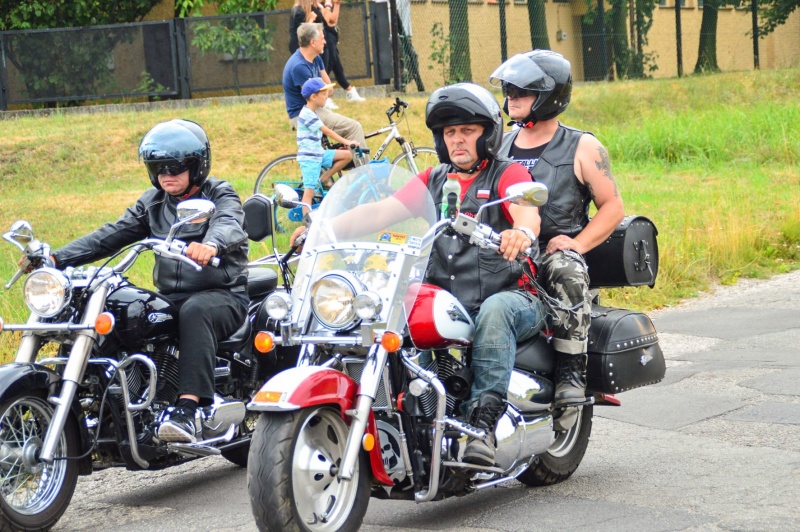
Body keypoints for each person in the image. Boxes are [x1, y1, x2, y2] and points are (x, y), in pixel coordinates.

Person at [292, 83, 547, 467]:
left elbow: (527, 212)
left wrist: (521, 232)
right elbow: (380, 212)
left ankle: (482, 425)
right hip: (451, 294)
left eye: (467, 131)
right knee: (389, 305)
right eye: (450, 132)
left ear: (487, 134)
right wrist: (321, 230)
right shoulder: (433, 179)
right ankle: (408, 408)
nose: (457, 139)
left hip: (513, 293)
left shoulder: (506, 173)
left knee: (495, 312)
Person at [48, 119, 250, 444]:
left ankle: (187, 411)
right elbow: (111, 235)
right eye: (158, 167)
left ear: (197, 166)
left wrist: (211, 244)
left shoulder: (218, 192)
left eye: (175, 167)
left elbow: (228, 221)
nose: (166, 174)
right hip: (171, 295)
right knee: (122, 311)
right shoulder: (153, 201)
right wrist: (57, 258)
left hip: (222, 295)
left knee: (195, 310)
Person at [489, 50, 625, 406]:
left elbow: (613, 206)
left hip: (553, 250)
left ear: (549, 95)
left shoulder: (583, 146)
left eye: (522, 90)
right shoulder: (500, 144)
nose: (511, 96)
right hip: (507, 246)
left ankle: (571, 370)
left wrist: (578, 244)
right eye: (509, 89)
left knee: (566, 267)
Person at [283, 22, 367, 147]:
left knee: (336, 149)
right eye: (322, 38)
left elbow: (329, 89)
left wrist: (323, 90)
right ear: (312, 42)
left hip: (315, 109)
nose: (325, 42)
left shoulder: (316, 58)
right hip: (303, 114)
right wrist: (323, 90)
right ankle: (362, 161)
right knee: (354, 128)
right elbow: (314, 97)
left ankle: (348, 157)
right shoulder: (299, 66)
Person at [297, 77, 356, 211]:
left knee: (347, 155)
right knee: (309, 193)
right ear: (313, 97)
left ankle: (324, 178)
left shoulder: (312, 112)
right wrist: (347, 141)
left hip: (319, 153)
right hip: (310, 158)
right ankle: (307, 220)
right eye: (323, 94)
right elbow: (327, 131)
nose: (326, 97)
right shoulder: (307, 114)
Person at [319, 0, 366, 103]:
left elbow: (333, 21)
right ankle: (323, 95)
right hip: (326, 37)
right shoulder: (319, 4)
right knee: (326, 68)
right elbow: (330, 21)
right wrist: (330, 4)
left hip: (330, 36)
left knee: (337, 67)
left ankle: (350, 91)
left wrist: (336, 4)